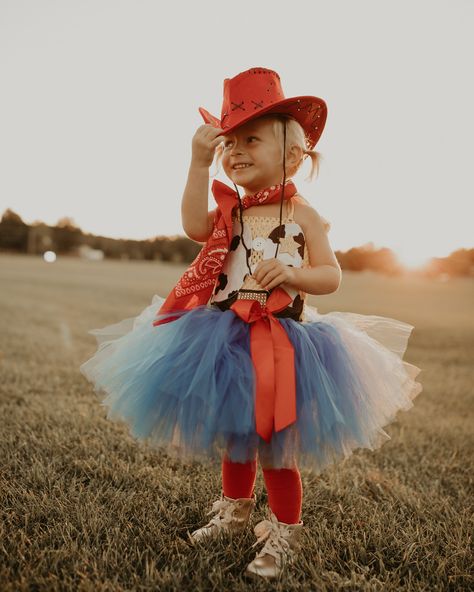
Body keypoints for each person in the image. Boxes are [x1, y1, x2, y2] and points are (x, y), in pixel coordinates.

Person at [79, 67, 423, 580]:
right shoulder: (229, 211)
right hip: (223, 336)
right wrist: (198, 165)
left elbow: (331, 276)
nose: (235, 150)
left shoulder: (304, 215)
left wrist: (294, 271)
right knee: (237, 434)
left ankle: (286, 530)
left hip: (284, 341)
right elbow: (194, 226)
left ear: (291, 156)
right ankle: (235, 511)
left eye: (251, 139)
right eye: (229, 142)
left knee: (277, 443)